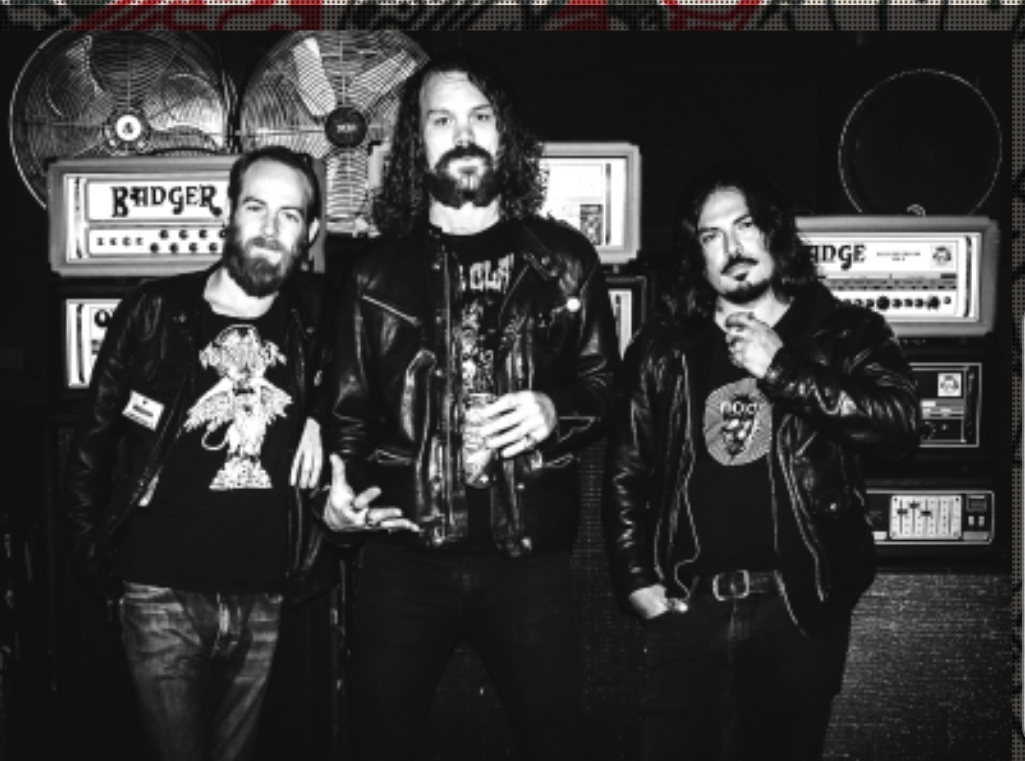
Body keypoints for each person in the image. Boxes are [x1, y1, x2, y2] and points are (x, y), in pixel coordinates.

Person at [320, 51, 621, 761]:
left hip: (528, 560)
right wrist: (336, 502)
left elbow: (607, 387)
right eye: (442, 120)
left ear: (503, 135)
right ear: (415, 143)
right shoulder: (371, 273)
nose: (463, 134)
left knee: (557, 743)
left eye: (480, 117)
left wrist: (556, 412)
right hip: (402, 558)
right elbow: (347, 414)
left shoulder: (565, 260)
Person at [601, 161, 921, 761]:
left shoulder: (843, 332)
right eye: (711, 235)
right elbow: (626, 471)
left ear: (775, 231)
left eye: (745, 226)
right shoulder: (664, 347)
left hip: (796, 605)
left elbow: (899, 426)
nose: (732, 248)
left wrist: (782, 369)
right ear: (696, 255)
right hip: (687, 605)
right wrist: (635, 579)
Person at [63, 145, 335, 761]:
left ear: (311, 232)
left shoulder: (320, 315)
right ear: (228, 213)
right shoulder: (154, 312)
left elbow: (362, 381)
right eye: (256, 207)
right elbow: (90, 449)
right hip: (160, 595)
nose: (269, 228)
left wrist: (321, 417)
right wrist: (98, 569)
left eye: (289, 215)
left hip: (264, 597)